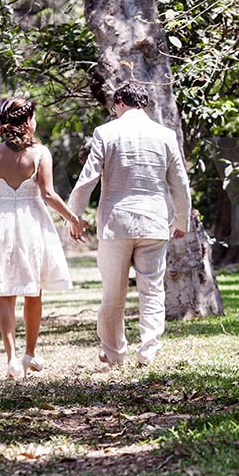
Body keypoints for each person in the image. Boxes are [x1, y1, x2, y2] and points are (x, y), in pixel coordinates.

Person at [67, 82, 191, 367]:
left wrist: (74, 217)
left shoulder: (106, 133)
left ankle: (113, 352)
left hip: (116, 224)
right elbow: (179, 183)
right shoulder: (165, 135)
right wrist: (181, 219)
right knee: (152, 289)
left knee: (113, 292)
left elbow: (87, 180)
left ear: (120, 102)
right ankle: (148, 350)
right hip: (154, 222)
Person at [0, 97, 84, 380]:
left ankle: (12, 358)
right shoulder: (40, 153)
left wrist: (2, 197)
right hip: (31, 223)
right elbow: (49, 194)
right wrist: (72, 218)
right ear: (28, 121)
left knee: (6, 293)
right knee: (33, 290)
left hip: (1, 223)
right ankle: (30, 353)